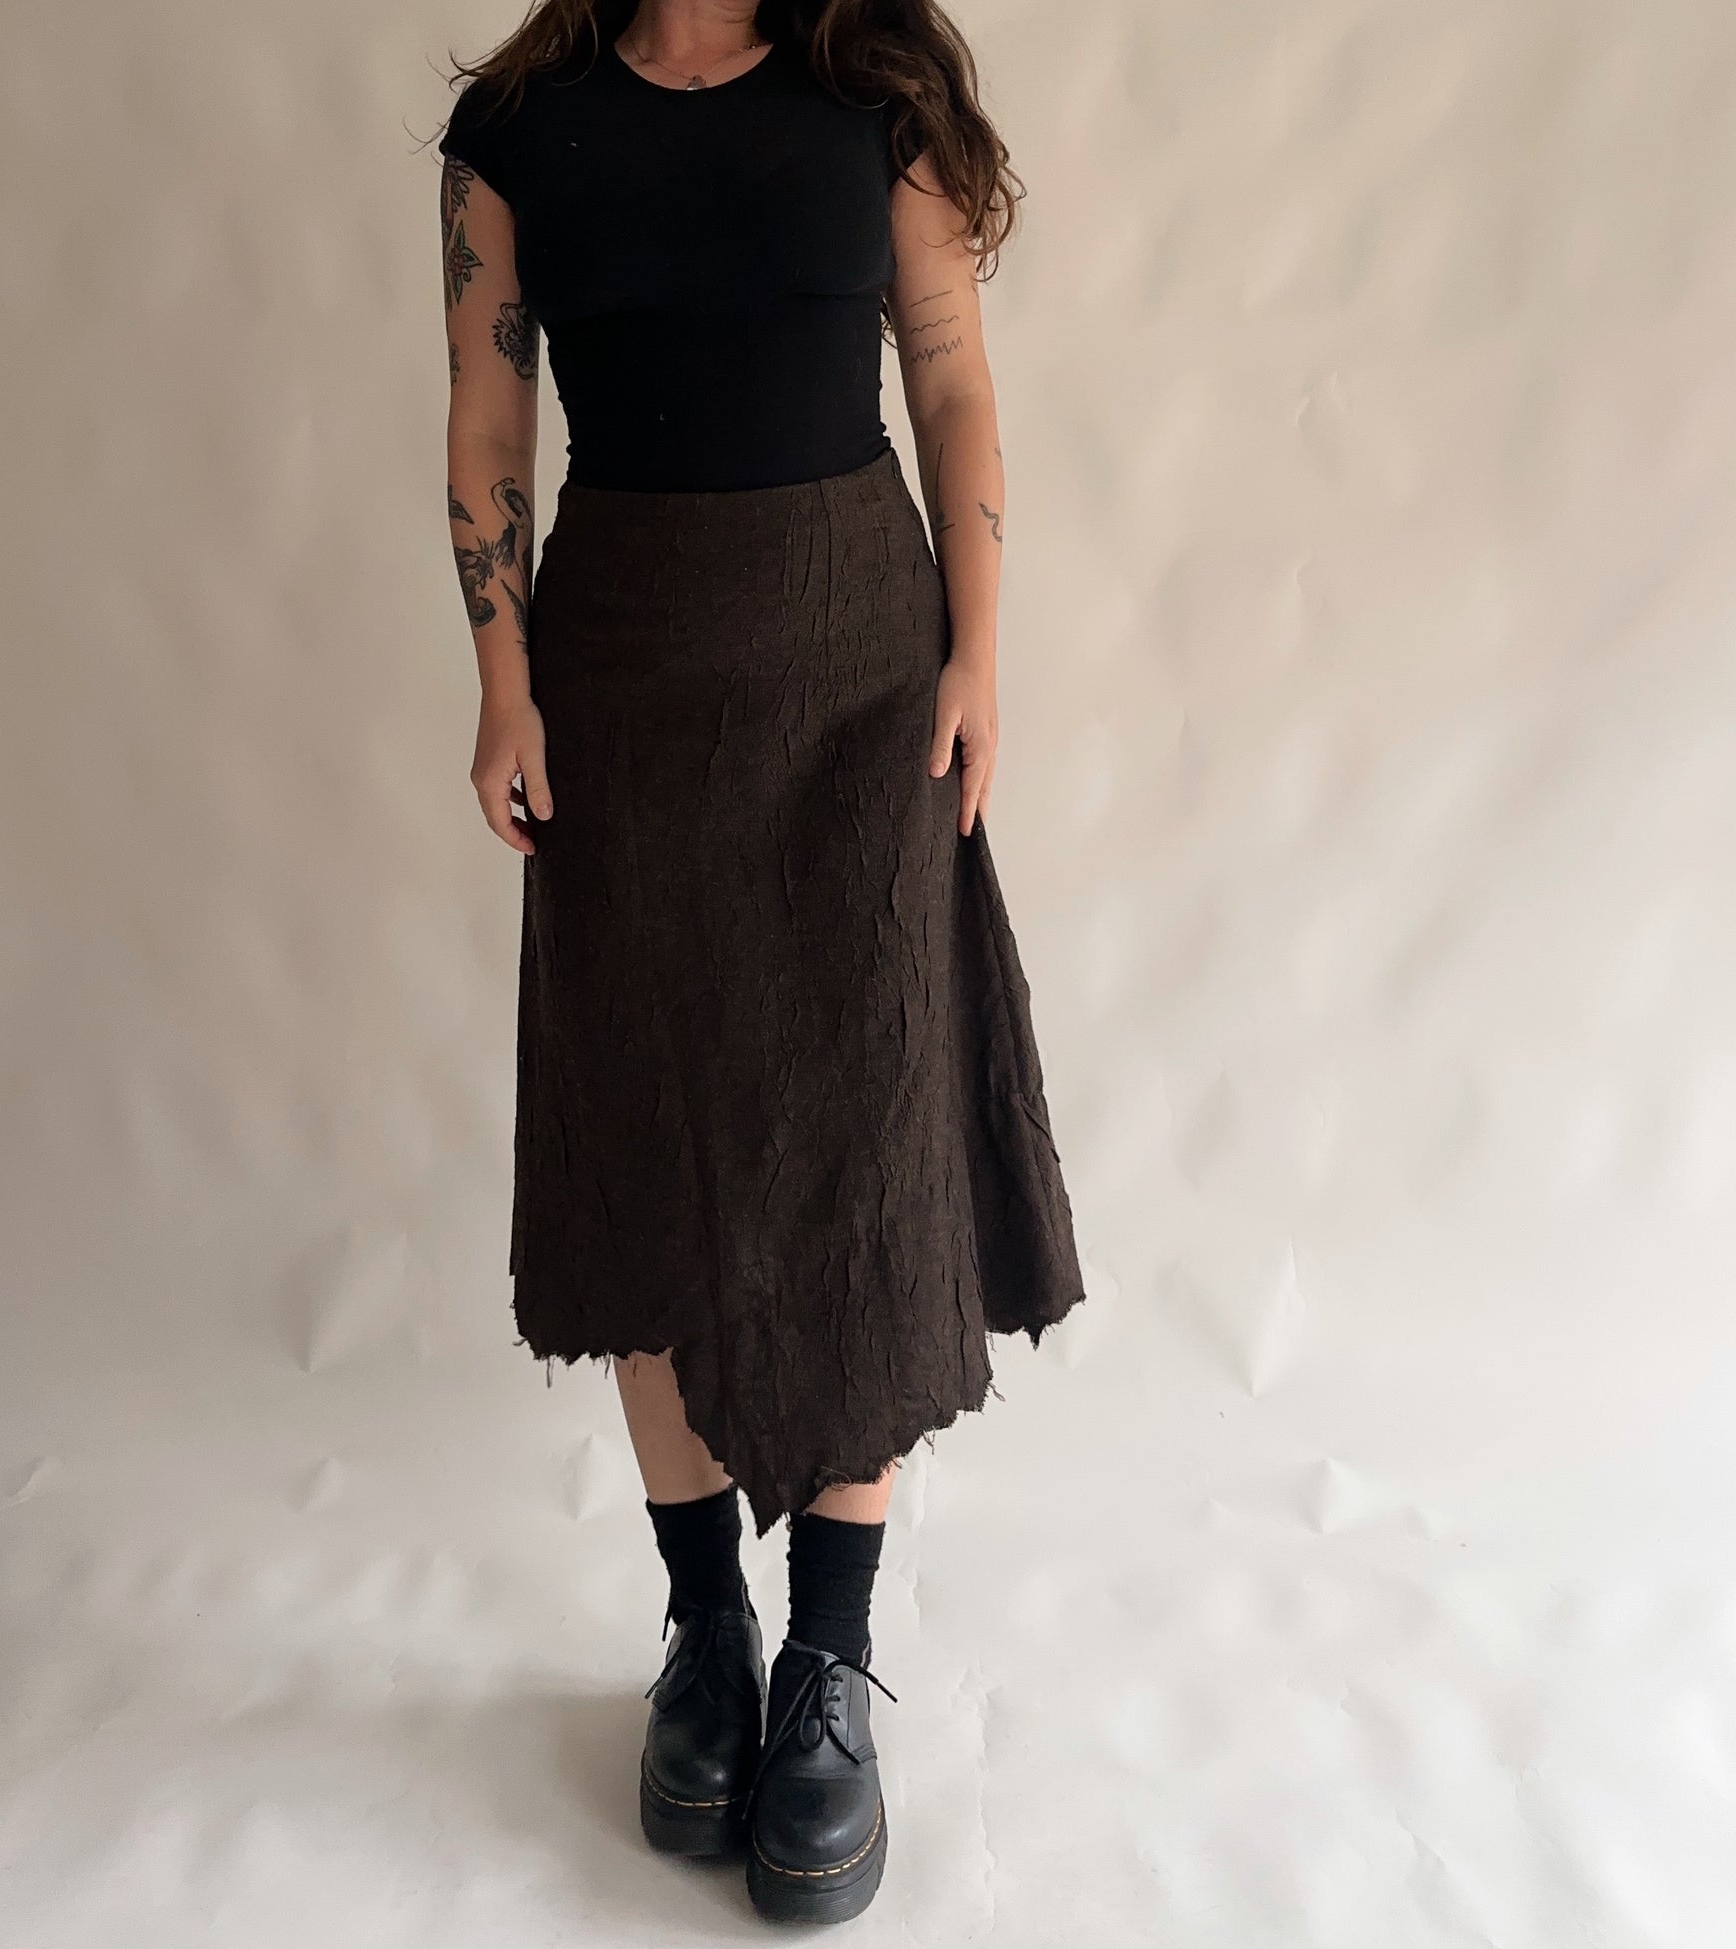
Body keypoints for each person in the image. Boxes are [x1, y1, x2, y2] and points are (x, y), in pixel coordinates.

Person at [434, 0, 1085, 1923]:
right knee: (658, 1137)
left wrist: (977, 655)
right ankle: (706, 1629)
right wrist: (501, 683)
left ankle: (829, 1664)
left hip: (856, 670)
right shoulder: (517, 128)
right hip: (622, 676)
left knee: (859, 1139)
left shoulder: (874, 90)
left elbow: (949, 376)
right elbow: (487, 417)